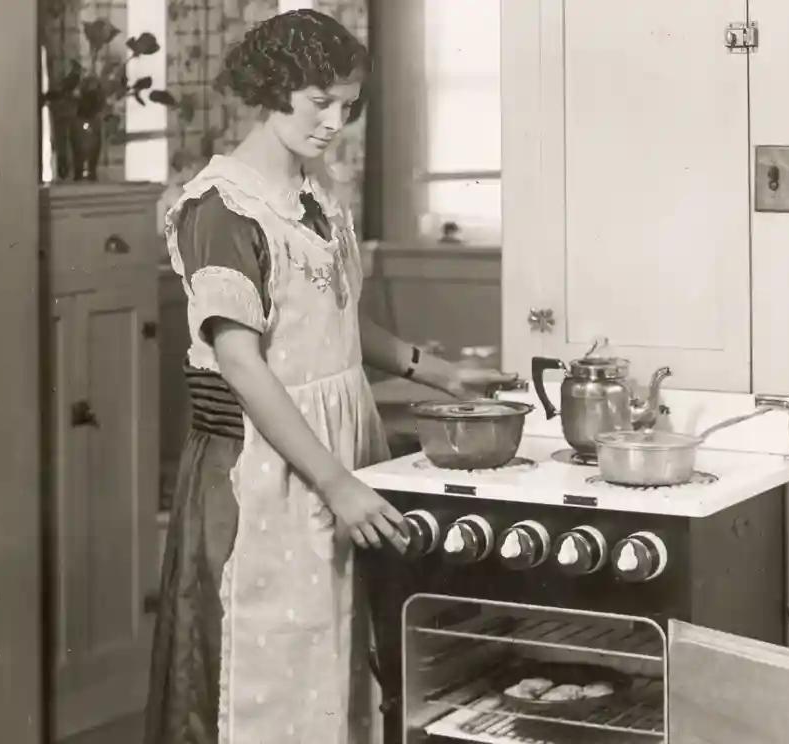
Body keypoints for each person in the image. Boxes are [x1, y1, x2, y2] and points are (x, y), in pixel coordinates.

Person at [142, 9, 515, 744]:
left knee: (337, 664)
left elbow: (335, 318)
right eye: (320, 101)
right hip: (268, 472)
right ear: (271, 88)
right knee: (269, 681)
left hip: (342, 453)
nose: (336, 121)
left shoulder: (315, 196)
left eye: (348, 105)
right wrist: (337, 483)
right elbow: (242, 363)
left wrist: (439, 373)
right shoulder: (220, 207)